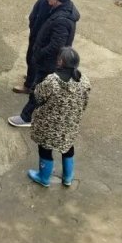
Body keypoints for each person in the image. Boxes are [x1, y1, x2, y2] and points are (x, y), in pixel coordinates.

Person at [9, 0, 80, 128]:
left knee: (38, 89)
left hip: (48, 63)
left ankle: (26, 117)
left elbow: (56, 46)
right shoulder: (61, 8)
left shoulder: (62, 20)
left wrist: (40, 54)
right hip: (46, 60)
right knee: (41, 87)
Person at [28, 47, 90, 187]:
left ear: (60, 61)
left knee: (45, 148)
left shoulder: (52, 81)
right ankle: (68, 177)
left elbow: (38, 96)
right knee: (67, 147)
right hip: (70, 125)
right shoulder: (84, 81)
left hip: (48, 125)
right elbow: (84, 103)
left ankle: (44, 178)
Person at [13, 0, 58, 94]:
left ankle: (29, 85)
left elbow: (43, 19)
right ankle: (31, 77)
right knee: (30, 58)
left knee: (33, 59)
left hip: (39, 35)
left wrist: (37, 32)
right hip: (35, 32)